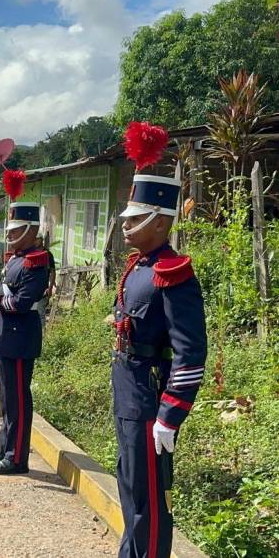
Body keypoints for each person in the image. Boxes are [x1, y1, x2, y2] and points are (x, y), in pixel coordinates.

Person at [111, 174, 206, 557]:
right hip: (129, 389)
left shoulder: (172, 272)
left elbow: (190, 351)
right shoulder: (140, 266)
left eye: (135, 219)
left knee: (149, 497)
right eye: (127, 218)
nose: (125, 225)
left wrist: (171, 413)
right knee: (131, 485)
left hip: (151, 397)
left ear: (161, 222)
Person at [0, 202, 49, 473]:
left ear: (32, 229)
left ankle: (16, 458)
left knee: (18, 401)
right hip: (5, 336)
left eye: (17, 230)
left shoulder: (37, 260)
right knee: (7, 399)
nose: (11, 235)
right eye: (10, 230)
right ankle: (5, 448)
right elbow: (4, 299)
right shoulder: (14, 258)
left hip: (20, 338)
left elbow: (20, 302)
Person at [34, 235, 57, 331]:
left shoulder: (47, 254)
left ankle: (42, 335)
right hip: (30, 288)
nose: (35, 241)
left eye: (37, 239)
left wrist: (50, 288)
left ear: (41, 240)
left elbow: (52, 272)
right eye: (34, 239)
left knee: (40, 312)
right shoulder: (30, 252)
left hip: (43, 289)